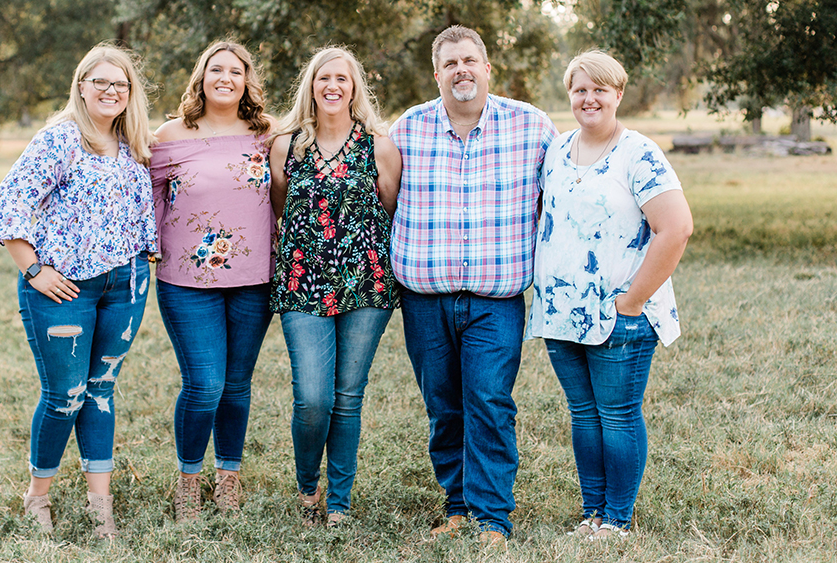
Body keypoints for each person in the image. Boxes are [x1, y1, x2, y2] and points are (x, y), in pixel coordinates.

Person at [389, 25, 557, 545]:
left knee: (488, 399)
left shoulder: (531, 126)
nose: (461, 70)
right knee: (443, 404)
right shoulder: (408, 129)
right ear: (436, 74)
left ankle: (492, 518)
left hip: (497, 298)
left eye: (470, 61)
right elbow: (386, 201)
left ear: (487, 68)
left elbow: (560, 200)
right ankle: (457, 505)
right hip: (424, 297)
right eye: (450, 64)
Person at [0, 42, 156, 539]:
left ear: (130, 94)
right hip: (63, 290)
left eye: (119, 84)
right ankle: (36, 497)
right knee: (65, 395)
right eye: (99, 81)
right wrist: (33, 269)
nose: (110, 90)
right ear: (81, 86)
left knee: (101, 391)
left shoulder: (132, 147)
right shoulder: (60, 140)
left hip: (125, 285)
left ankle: (99, 506)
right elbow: (9, 203)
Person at [526, 50, 692, 539]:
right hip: (561, 311)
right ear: (569, 94)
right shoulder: (555, 150)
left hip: (621, 313)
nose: (589, 98)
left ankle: (616, 520)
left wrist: (633, 301)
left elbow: (676, 229)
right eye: (580, 89)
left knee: (616, 415)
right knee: (583, 415)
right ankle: (591, 513)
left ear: (618, 94)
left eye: (600, 89)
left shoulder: (638, 153)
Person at [269, 46, 401, 527]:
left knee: (347, 396)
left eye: (342, 79)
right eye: (324, 77)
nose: (333, 86)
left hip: (366, 285)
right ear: (311, 84)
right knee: (313, 399)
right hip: (302, 283)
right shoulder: (287, 146)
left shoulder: (378, 146)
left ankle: (340, 501)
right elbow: (281, 207)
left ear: (354, 88)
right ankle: (308, 489)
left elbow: (386, 208)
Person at [150, 40, 275, 522]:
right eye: (215, 69)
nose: (225, 77)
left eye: (235, 71)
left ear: (246, 81)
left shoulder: (268, 135)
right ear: (200, 77)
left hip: (254, 279)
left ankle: (228, 479)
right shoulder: (170, 135)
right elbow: (150, 199)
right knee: (204, 384)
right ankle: (188, 480)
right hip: (185, 279)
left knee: (237, 384)